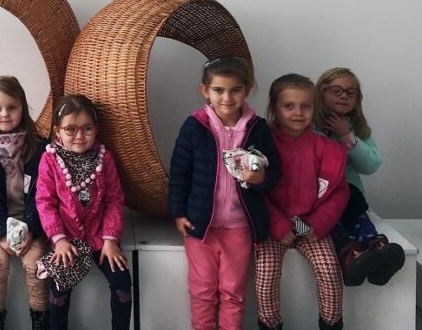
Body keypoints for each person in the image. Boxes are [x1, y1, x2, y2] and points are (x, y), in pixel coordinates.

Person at [168, 56, 280, 330]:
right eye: (219, 90)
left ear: (247, 89)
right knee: (202, 291)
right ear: (205, 91)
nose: (227, 98)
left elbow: (275, 171)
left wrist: (260, 178)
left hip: (240, 227)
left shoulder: (258, 127)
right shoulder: (194, 126)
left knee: (233, 293)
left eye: (235, 90)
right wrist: (178, 213)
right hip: (201, 226)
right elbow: (180, 172)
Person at [257, 74, 348, 330]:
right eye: (289, 106)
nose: (298, 113)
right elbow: (252, 191)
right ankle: (270, 325)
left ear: (314, 107)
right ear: (274, 107)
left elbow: (339, 192)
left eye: (305, 106)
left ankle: (331, 324)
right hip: (274, 223)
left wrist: (318, 223)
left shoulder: (326, 147)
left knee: (329, 269)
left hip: (310, 222)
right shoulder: (261, 145)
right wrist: (277, 224)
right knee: (266, 274)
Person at [36, 95, 131, 330]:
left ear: (96, 129)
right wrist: (59, 240)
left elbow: (115, 200)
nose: (79, 136)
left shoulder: (104, 158)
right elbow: (45, 202)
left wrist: (110, 239)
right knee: (59, 287)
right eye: (70, 129)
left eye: (87, 128)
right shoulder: (50, 159)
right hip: (66, 238)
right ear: (57, 132)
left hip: (100, 236)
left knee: (122, 281)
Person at [0, 76, 49, 330]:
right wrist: (3, 234)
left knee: (35, 262)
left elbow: (42, 193)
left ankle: (40, 323)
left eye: (11, 107)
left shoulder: (40, 147)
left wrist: (30, 230)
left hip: (31, 220)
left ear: (22, 107)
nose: (4, 114)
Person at [314, 67, 404, 285]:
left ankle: (380, 252)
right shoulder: (306, 123)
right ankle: (352, 257)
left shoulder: (356, 128)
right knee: (333, 226)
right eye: (336, 90)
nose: (344, 96)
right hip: (319, 201)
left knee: (359, 219)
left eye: (350, 92)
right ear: (321, 91)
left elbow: (371, 165)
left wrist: (347, 135)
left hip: (351, 198)